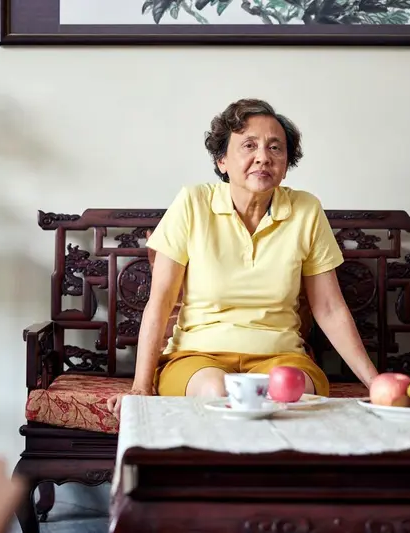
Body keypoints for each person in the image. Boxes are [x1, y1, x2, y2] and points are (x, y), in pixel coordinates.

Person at [106, 98, 378, 415]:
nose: (263, 157)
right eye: (249, 145)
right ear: (222, 160)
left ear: (286, 164)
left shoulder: (306, 210)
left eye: (275, 148)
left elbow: (329, 308)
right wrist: (140, 388)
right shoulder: (193, 203)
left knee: (286, 391)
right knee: (216, 391)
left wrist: (376, 384)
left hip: (281, 357)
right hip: (197, 358)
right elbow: (161, 301)